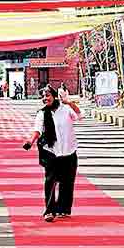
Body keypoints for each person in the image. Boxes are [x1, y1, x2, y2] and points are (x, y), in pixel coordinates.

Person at [24, 86, 81, 222]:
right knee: (50, 181)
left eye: (48, 95)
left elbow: (79, 115)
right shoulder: (42, 114)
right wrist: (30, 142)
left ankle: (63, 209)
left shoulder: (66, 109)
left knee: (67, 182)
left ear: (55, 96)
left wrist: (68, 102)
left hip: (69, 150)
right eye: (43, 96)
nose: (45, 98)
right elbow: (37, 130)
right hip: (51, 151)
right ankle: (49, 210)